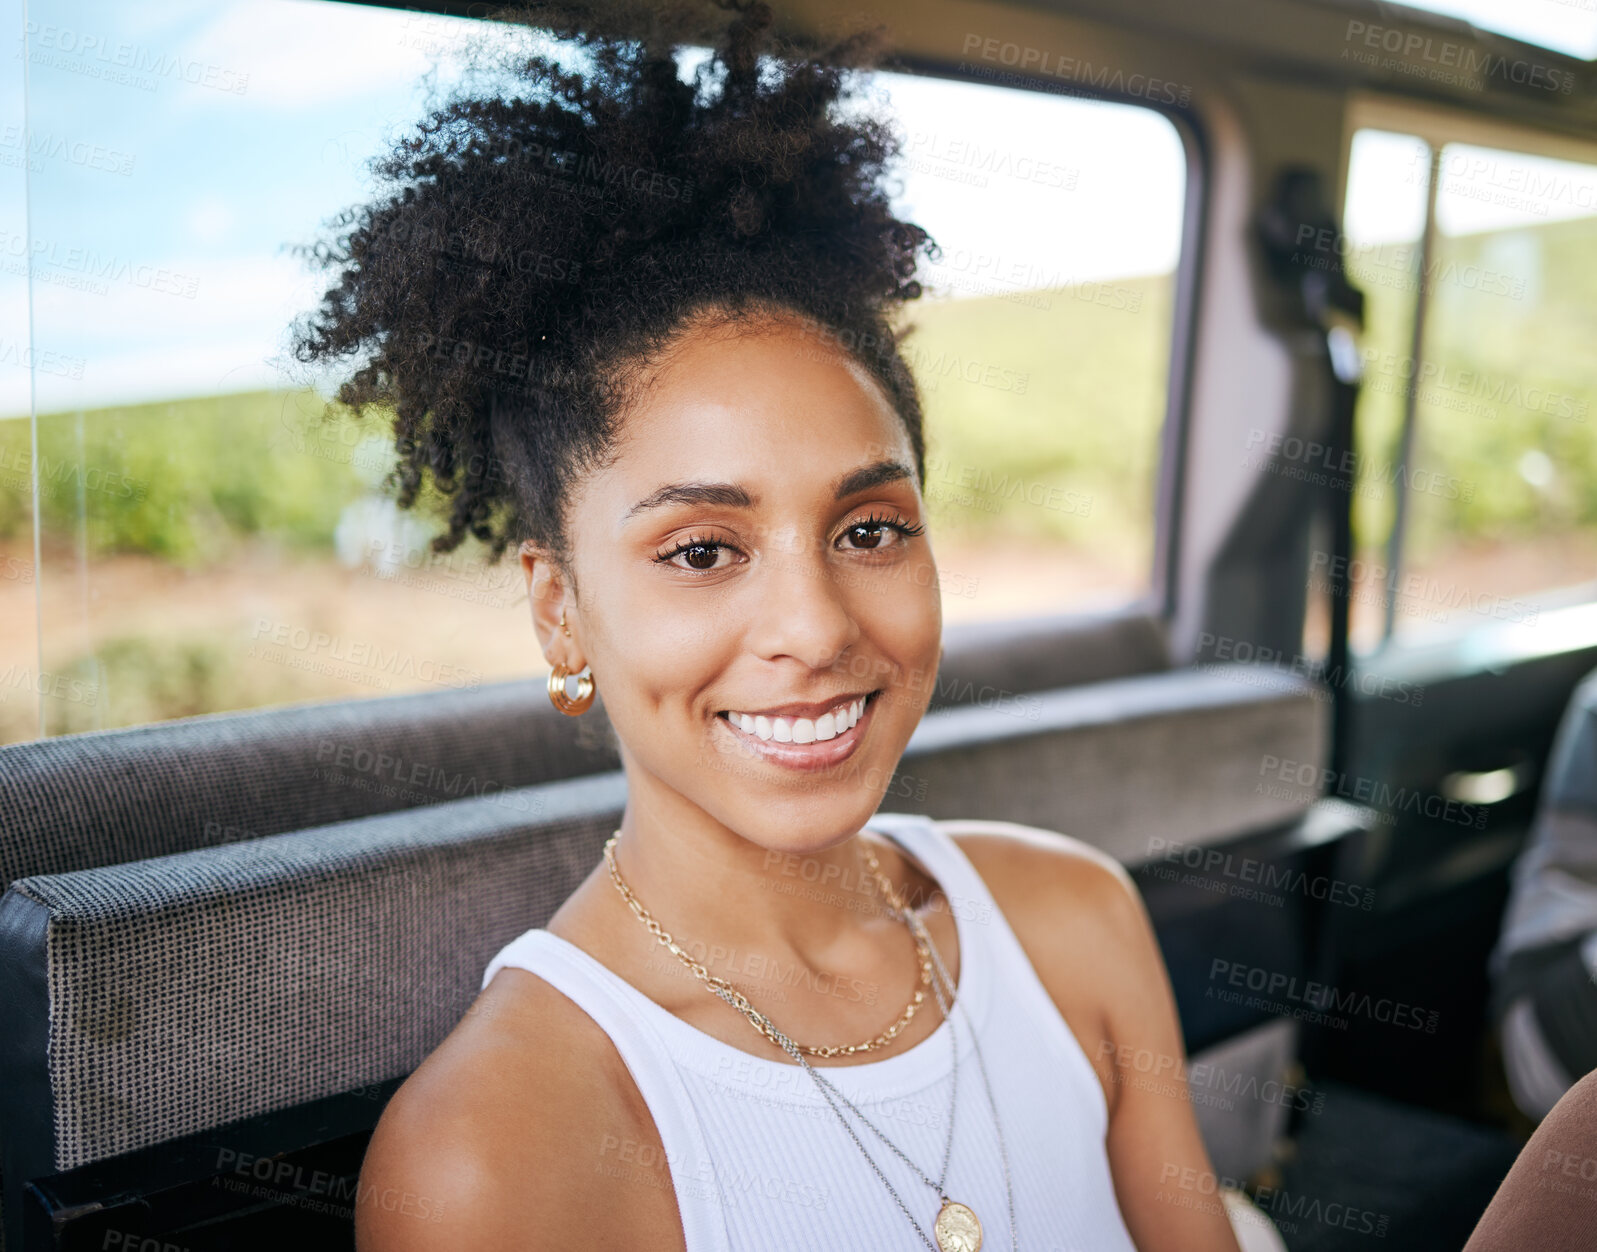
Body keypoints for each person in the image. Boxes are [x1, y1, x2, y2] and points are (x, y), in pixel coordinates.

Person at [292, 2, 1245, 1248]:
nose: (812, 626)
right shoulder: (495, 1152)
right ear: (558, 610)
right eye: (702, 550)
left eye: (867, 530)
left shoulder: (1076, 920)